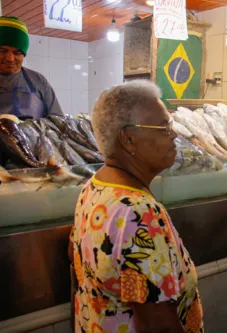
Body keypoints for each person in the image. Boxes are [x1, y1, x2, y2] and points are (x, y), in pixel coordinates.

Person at [69, 80, 203, 333]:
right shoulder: (138, 212)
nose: (174, 134)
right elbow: (157, 325)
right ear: (128, 139)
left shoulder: (95, 186)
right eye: (164, 126)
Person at [0, 16, 63, 119]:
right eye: (3, 51)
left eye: (17, 52)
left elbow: (57, 120)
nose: (10, 59)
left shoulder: (38, 80)